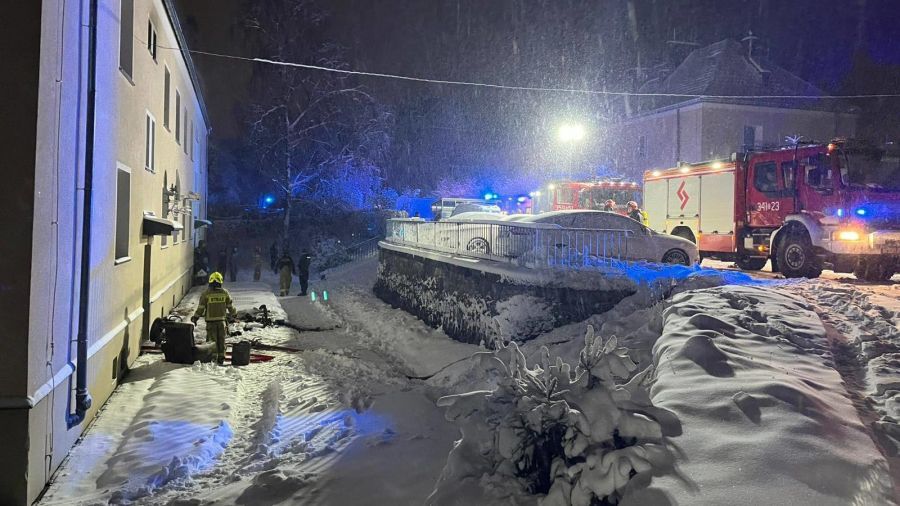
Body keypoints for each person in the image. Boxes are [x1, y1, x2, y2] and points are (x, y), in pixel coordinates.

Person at [191, 272, 237, 365]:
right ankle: (221, 358)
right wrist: (234, 314)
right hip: (222, 322)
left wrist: (195, 318)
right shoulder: (225, 293)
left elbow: (201, 308)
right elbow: (230, 306)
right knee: (221, 340)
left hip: (211, 323)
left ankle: (212, 359)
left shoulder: (206, 294)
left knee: (212, 342)